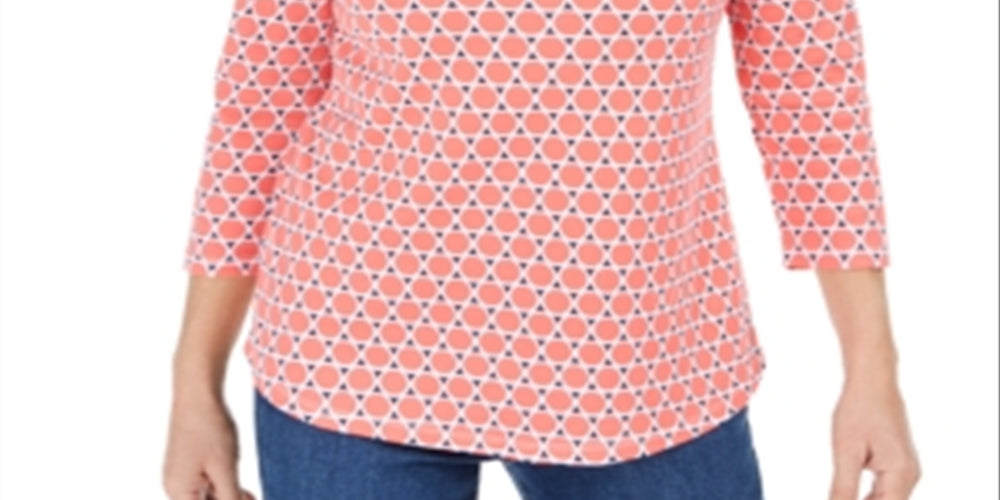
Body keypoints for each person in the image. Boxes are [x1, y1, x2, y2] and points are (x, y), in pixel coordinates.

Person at [162, 0, 921, 498]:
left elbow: (812, 96)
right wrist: (193, 380)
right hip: (355, 353)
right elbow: (261, 100)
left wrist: (872, 371)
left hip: (644, 366)